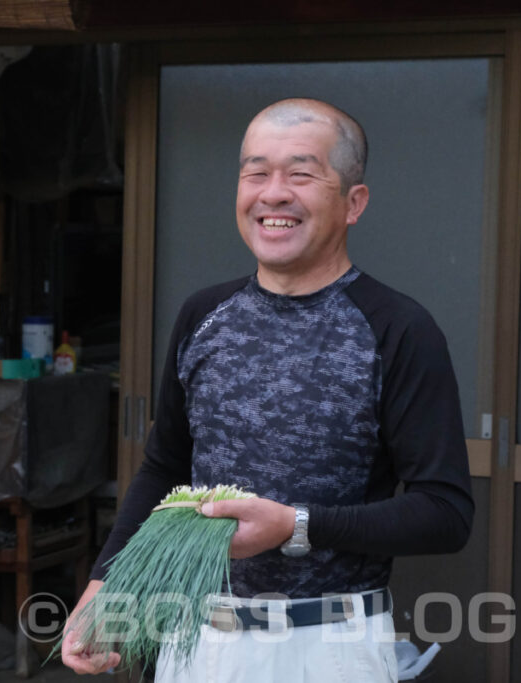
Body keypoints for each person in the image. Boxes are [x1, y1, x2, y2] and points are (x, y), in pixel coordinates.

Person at [62, 98, 474, 682]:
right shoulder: (203, 315)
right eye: (255, 172)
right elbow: (165, 467)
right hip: (196, 637)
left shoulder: (398, 329)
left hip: (331, 643)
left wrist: (297, 525)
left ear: (353, 203)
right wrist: (108, 582)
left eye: (301, 174)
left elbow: (445, 512)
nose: (272, 193)